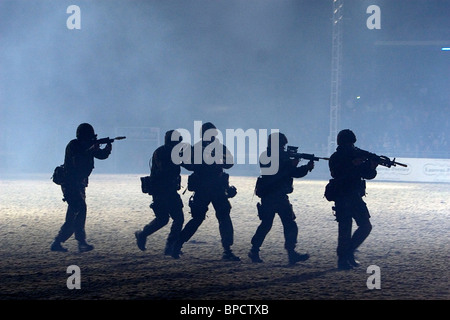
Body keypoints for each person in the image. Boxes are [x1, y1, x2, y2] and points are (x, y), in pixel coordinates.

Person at [171, 122, 240, 261]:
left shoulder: (201, 148)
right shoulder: (207, 148)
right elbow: (190, 165)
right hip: (210, 188)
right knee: (217, 217)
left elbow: (229, 162)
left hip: (210, 188)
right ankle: (226, 250)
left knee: (211, 217)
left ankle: (177, 245)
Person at [249, 132, 314, 265]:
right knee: (279, 224)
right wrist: (292, 165)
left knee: (280, 223)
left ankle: (287, 252)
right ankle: (258, 250)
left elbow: (291, 172)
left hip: (275, 195)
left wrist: (304, 167)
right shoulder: (267, 156)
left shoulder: (275, 156)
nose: (283, 148)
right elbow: (280, 172)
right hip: (273, 195)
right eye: (282, 146)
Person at [51, 123, 112, 253]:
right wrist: (91, 149)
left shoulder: (86, 146)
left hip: (79, 184)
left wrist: (107, 148)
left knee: (73, 214)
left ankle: (58, 242)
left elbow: (101, 155)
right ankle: (81, 241)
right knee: (80, 209)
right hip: (70, 184)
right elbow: (77, 160)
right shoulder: (73, 145)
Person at [328, 129, 378, 270]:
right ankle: (343, 259)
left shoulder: (354, 155)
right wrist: (353, 164)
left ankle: (347, 253)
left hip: (354, 196)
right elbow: (337, 173)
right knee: (345, 229)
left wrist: (371, 167)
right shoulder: (336, 157)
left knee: (365, 226)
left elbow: (367, 174)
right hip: (342, 195)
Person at [134, 130, 185, 255]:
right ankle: (144, 234)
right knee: (164, 219)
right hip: (161, 191)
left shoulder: (170, 152)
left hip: (169, 190)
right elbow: (165, 170)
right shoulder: (161, 152)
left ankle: (170, 245)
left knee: (176, 218)